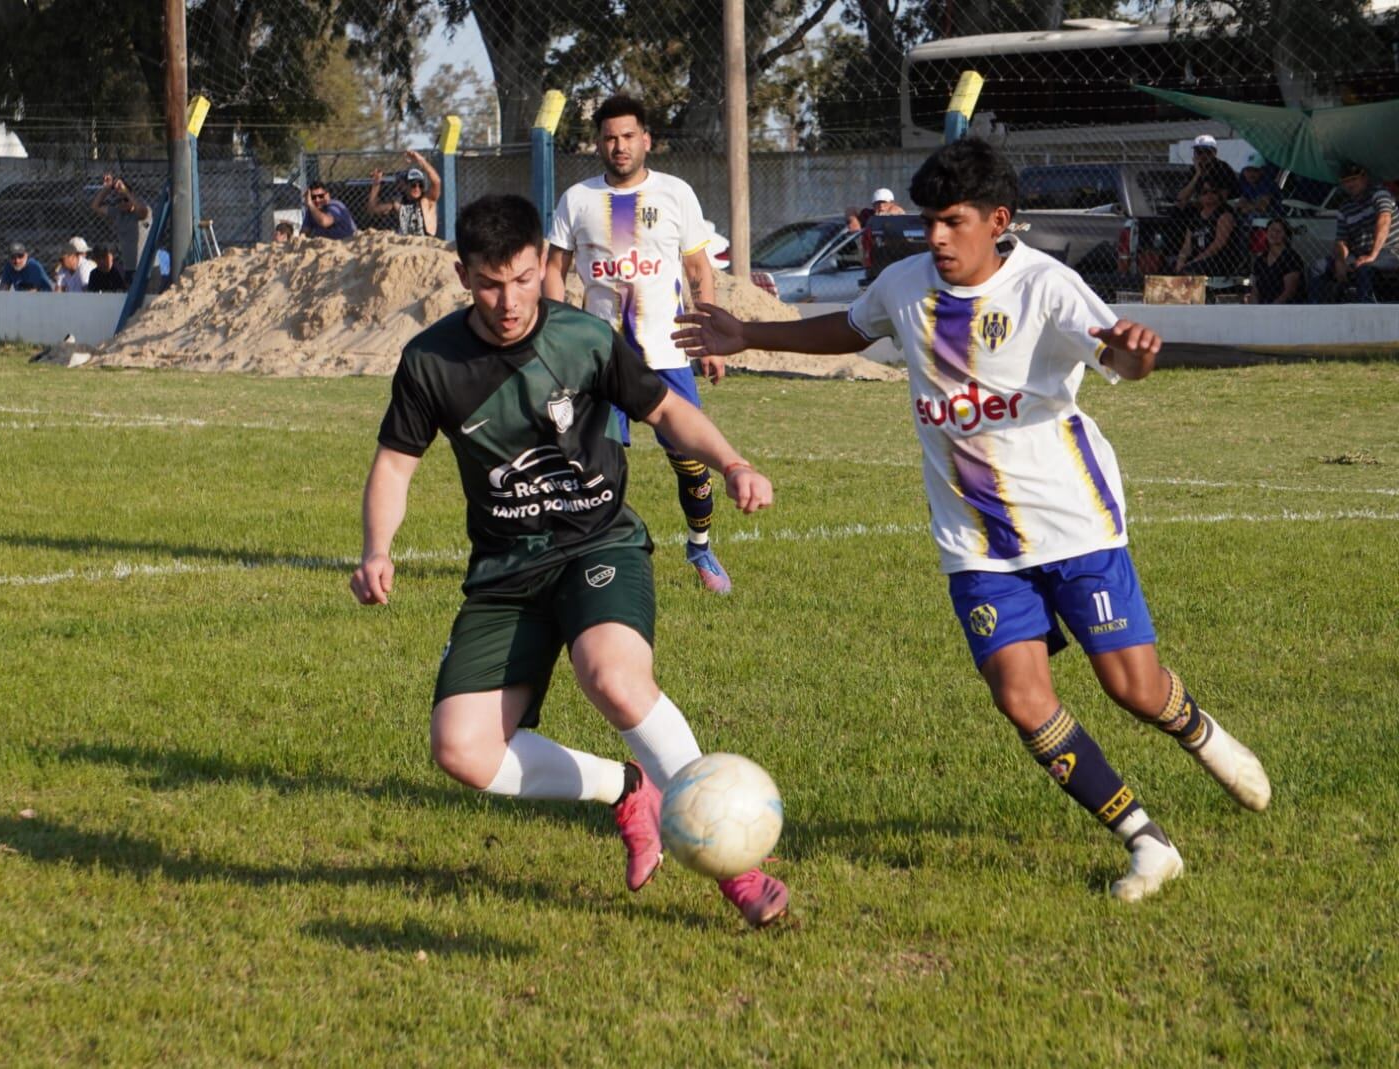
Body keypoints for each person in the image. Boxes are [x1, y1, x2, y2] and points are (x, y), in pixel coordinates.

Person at [673, 138, 1270, 904]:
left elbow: (1117, 357)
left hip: (1074, 523)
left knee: (1135, 688)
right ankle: (1146, 840)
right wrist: (750, 333)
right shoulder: (905, 285)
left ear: (999, 220)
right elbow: (852, 330)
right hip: (974, 538)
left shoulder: (1046, 286)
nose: (937, 237)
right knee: (1022, 698)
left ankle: (1203, 736)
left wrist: (1137, 354)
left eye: (953, 222)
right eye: (929, 222)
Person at [350, 193, 789, 928]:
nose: (509, 299)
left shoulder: (583, 338)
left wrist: (734, 459)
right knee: (461, 749)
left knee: (614, 676)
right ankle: (626, 789)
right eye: (490, 283)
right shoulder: (431, 361)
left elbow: (666, 410)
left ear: (539, 269)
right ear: (463, 275)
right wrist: (376, 551)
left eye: (523, 279)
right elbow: (395, 465)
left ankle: (735, 867)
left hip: (597, 542)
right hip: (506, 570)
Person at [543, 94, 733, 594]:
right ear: (598, 144)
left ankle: (701, 548)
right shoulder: (576, 199)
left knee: (691, 463)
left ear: (646, 140)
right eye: (609, 137)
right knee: (594, 465)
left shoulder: (675, 193)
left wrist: (708, 337)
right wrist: (556, 335)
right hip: (600, 358)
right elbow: (553, 271)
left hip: (667, 352)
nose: (619, 146)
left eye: (628, 136)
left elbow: (698, 269)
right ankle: (598, 557)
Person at [1311, 161, 1398, 304]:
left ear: (1364, 178)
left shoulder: (1379, 193)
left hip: (1389, 251)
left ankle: (1364, 310)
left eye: (1353, 179)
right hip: (1358, 255)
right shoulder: (1345, 208)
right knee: (1317, 268)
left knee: (1363, 267)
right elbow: (1341, 240)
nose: (1350, 184)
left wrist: (1372, 255)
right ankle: (1315, 311)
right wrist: (1340, 261)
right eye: (1345, 181)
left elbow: (1384, 219)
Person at [1173, 181, 1248, 277]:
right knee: (1171, 267)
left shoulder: (1224, 215)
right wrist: (1181, 259)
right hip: (1197, 258)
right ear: (1199, 196)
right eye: (1204, 192)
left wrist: (1194, 261)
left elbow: (1217, 245)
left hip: (1219, 259)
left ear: (1218, 195)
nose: (1209, 195)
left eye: (1213, 192)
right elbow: (1187, 245)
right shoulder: (1195, 218)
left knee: (1191, 270)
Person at [367, 151, 441, 237]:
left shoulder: (427, 200)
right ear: (405, 186)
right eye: (413, 185)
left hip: (425, 242)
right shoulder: (399, 203)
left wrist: (420, 159)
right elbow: (372, 209)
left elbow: (436, 182)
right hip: (407, 242)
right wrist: (376, 184)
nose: (417, 188)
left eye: (420, 185)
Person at [90, 173, 152, 269]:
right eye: (119, 200)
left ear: (132, 197)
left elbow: (143, 211)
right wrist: (107, 188)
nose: (122, 203)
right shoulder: (117, 213)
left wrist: (125, 191)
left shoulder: (140, 211)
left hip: (148, 269)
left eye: (125, 199)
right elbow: (95, 207)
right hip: (129, 268)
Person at [1175, 135, 1240, 209]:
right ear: (1194, 154)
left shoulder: (1222, 167)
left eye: (1207, 152)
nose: (1203, 155)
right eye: (1199, 152)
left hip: (1223, 207)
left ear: (1214, 153)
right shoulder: (1195, 168)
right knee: (1179, 205)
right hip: (1202, 205)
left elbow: (1221, 199)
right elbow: (1181, 197)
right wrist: (1198, 174)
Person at [1248, 219, 1304, 304]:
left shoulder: (1291, 258)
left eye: (1279, 231)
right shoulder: (1261, 260)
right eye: (1272, 230)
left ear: (1286, 235)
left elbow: (1289, 291)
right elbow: (1255, 291)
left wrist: (1272, 309)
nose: (1274, 233)